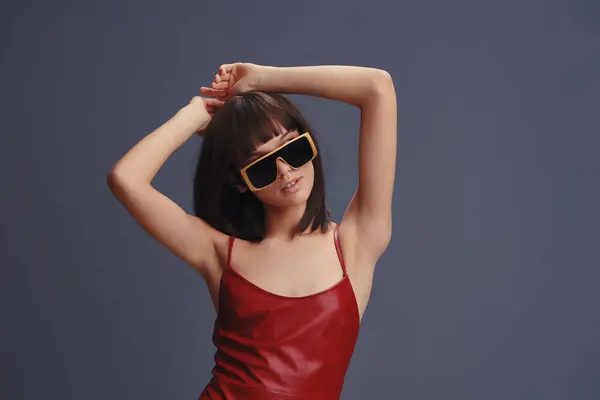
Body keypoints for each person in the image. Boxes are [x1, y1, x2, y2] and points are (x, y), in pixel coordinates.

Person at [107, 63, 397, 399]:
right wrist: (196, 113)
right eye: (262, 165)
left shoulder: (357, 241)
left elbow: (377, 87)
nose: (285, 170)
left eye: (293, 148)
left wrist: (261, 79)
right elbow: (125, 179)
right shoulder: (219, 253)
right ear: (240, 182)